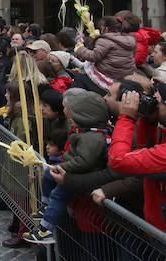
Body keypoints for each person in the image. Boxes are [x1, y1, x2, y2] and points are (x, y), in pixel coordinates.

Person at [24, 89, 110, 244]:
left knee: (58, 194)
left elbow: (84, 161)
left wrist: (64, 167)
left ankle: (46, 228)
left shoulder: (92, 137)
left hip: (76, 174)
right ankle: (45, 205)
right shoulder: (85, 133)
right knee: (49, 177)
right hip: (72, 171)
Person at [106, 83, 166, 232]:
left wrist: (126, 117)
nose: (152, 104)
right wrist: (149, 122)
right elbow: (142, 154)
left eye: (156, 102)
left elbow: (119, 161)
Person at [72, 15, 136, 95]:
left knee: (80, 78)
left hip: (108, 74)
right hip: (126, 74)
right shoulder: (129, 40)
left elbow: (93, 56)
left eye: (101, 28)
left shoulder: (104, 40)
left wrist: (80, 48)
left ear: (106, 28)